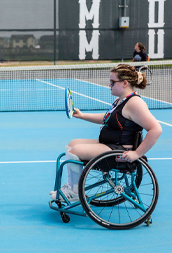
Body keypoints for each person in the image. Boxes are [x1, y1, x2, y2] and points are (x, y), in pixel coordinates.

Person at [51, 64, 162, 201]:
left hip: (118, 150)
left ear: (125, 83)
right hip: (110, 144)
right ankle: (72, 186)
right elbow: (106, 118)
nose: (109, 85)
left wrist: (137, 153)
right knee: (72, 143)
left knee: (75, 150)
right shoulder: (120, 100)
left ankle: (74, 192)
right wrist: (82, 115)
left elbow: (156, 129)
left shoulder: (135, 104)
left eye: (112, 82)